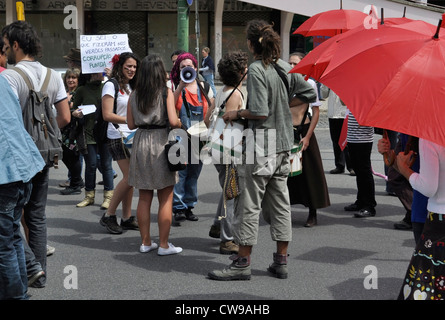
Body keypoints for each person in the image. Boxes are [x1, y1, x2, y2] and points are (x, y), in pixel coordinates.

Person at [208, 19, 316, 281]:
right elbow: (309, 93)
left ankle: (242, 263)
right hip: (283, 144)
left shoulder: (256, 70)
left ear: (250, 43)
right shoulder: (283, 66)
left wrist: (236, 113)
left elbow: (258, 111)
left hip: (261, 146)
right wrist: (283, 104)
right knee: (281, 205)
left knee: (249, 205)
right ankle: (280, 261)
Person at [1, 20, 71, 288]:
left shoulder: (9, 77)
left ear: (16, 45)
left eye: (7, 46)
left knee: (12, 214)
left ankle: (27, 268)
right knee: (37, 215)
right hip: (45, 154)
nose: (6, 51)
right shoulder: (54, 75)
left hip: (16, 157)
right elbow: (64, 117)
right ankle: (39, 272)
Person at [127, 54, 183, 255]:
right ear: (160, 72)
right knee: (166, 196)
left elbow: (131, 124)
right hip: (161, 141)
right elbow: (174, 121)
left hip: (141, 141)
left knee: (144, 196)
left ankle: (145, 242)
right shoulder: (165, 92)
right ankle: (164, 245)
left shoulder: (134, 94)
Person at [0, 75, 46, 300]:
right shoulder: (1, 81)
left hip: (6, 172)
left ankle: (17, 296)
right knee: (12, 238)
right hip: (22, 166)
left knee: (4, 244)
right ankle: (21, 294)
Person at [204, 51, 248, 254]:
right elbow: (228, 126)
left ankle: (216, 224)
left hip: (216, 148)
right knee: (231, 194)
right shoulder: (236, 94)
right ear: (240, 72)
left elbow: (207, 118)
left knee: (226, 189)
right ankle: (227, 239)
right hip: (228, 150)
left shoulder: (223, 90)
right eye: (245, 68)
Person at [396, 138, 445, 300]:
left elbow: (428, 187)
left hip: (439, 220)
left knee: (428, 284)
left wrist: (403, 169)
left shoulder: (432, 136)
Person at [170, 52, 214, 224]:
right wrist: (180, 86)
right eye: (182, 67)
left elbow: (213, 107)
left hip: (200, 135)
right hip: (180, 135)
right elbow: (170, 106)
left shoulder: (204, 86)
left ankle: (189, 206)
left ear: (195, 68)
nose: (187, 69)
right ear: (178, 69)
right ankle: (178, 208)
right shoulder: (174, 86)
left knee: (194, 174)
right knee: (180, 173)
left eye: (190, 66)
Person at [99, 52, 139, 234]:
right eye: (128, 66)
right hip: (117, 136)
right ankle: (109, 215)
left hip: (132, 136)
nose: (132, 70)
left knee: (129, 179)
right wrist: (131, 121)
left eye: (134, 67)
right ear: (119, 66)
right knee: (130, 177)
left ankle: (127, 217)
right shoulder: (110, 85)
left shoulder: (131, 86)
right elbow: (107, 115)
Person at [286, 68, 330, 228]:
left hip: (303, 131)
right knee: (284, 175)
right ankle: (282, 213)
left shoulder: (309, 83)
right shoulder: (285, 83)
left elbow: (316, 111)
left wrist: (308, 137)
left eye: (295, 63)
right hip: (286, 131)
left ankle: (313, 213)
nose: (292, 65)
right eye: (290, 63)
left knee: (310, 174)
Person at [72, 72, 115, 209]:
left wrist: (111, 75)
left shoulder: (108, 86)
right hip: (89, 132)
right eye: (97, 72)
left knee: (106, 165)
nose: (101, 74)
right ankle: (89, 196)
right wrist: (75, 112)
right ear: (90, 73)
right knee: (91, 165)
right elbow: (73, 107)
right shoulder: (82, 90)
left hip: (105, 132)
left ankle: (108, 198)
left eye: (102, 72)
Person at [377, 133, 428, 243]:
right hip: (420, 211)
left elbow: (429, 185)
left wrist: (403, 167)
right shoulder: (407, 134)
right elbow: (405, 167)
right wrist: (388, 153)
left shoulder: (431, 134)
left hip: (434, 213)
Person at [343, 110, 377, 217]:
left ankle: (369, 205)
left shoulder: (368, 98)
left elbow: (374, 117)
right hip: (352, 137)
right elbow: (343, 102)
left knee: (364, 172)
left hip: (363, 139)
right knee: (359, 171)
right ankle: (361, 201)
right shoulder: (355, 98)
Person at [58, 68, 84, 195]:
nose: (71, 80)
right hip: (63, 129)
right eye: (69, 77)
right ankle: (77, 180)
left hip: (74, 129)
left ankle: (75, 184)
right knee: (65, 154)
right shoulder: (64, 92)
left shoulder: (79, 92)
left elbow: (82, 109)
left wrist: (72, 111)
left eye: (74, 77)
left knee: (72, 156)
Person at [320, 84, 354, 176]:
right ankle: (339, 165)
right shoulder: (329, 78)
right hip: (333, 113)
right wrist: (325, 84)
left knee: (348, 141)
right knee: (335, 140)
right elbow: (324, 95)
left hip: (345, 113)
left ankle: (352, 166)